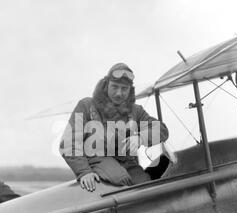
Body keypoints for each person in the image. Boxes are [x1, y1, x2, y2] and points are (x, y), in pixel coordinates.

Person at [59, 63, 169, 192]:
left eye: (124, 89)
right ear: (106, 86)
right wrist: (84, 171)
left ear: (130, 90)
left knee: (145, 185)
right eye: (114, 87)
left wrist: (141, 138)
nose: (118, 93)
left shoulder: (135, 111)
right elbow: (68, 142)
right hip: (96, 160)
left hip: (127, 164)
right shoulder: (86, 106)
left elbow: (161, 129)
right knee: (121, 180)